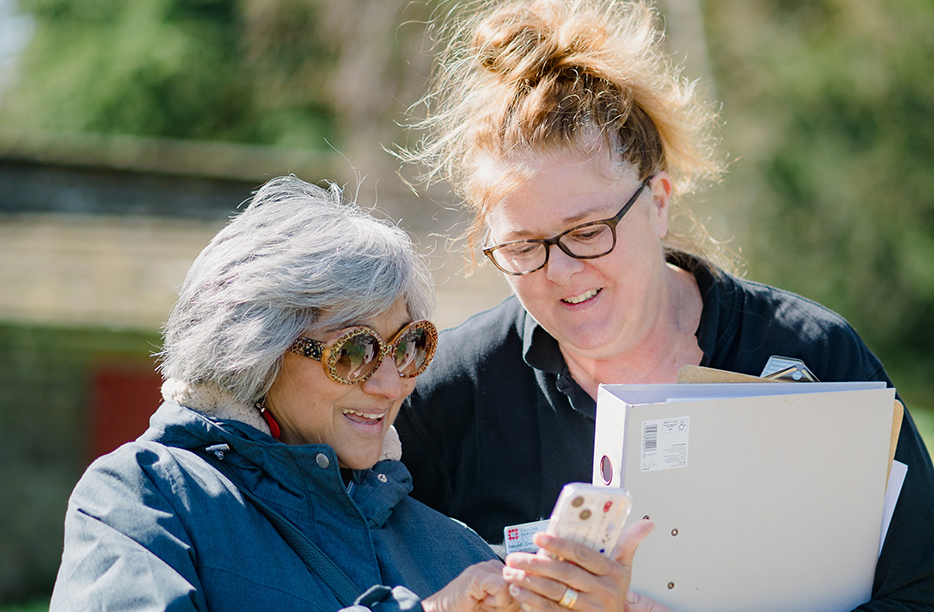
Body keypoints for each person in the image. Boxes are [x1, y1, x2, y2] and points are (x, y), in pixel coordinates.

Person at [398, 1, 934, 610]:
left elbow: (929, 600)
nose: (561, 272)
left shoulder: (809, 357)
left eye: (589, 232)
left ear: (660, 201)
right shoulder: (447, 395)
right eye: (521, 247)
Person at [51, 176, 650, 612]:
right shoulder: (144, 497)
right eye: (356, 351)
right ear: (256, 353)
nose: (392, 384)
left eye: (411, 345)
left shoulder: (456, 550)